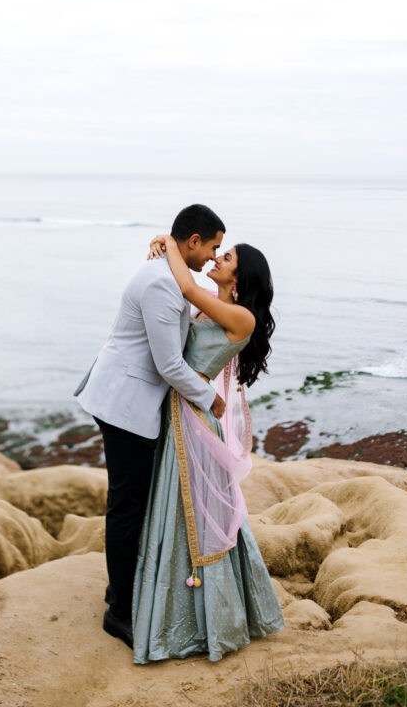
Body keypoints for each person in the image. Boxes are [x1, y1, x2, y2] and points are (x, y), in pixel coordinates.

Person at [74, 204, 228, 649]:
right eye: (213, 246)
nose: (213, 257)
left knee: (130, 502)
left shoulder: (169, 268)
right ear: (193, 241)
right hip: (125, 402)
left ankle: (119, 591)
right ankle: (118, 611)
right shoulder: (162, 282)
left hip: (129, 395)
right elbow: (168, 365)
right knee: (127, 506)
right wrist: (210, 398)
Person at [132, 234, 284, 663]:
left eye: (227, 257)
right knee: (177, 511)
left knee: (198, 516)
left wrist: (170, 244)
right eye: (219, 252)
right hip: (180, 409)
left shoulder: (242, 318)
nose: (217, 258)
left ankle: (207, 621)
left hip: (194, 420)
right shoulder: (209, 307)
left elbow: (187, 287)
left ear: (241, 276)